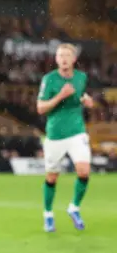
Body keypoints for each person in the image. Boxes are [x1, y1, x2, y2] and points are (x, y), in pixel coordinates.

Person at [36, 43, 93, 232]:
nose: (64, 59)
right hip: (55, 134)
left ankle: (74, 208)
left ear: (74, 59)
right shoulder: (49, 79)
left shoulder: (81, 77)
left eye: (67, 55)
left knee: (84, 171)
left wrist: (86, 100)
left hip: (77, 131)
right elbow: (41, 108)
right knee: (52, 177)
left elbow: (81, 96)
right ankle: (48, 214)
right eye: (60, 55)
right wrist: (60, 95)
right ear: (56, 59)